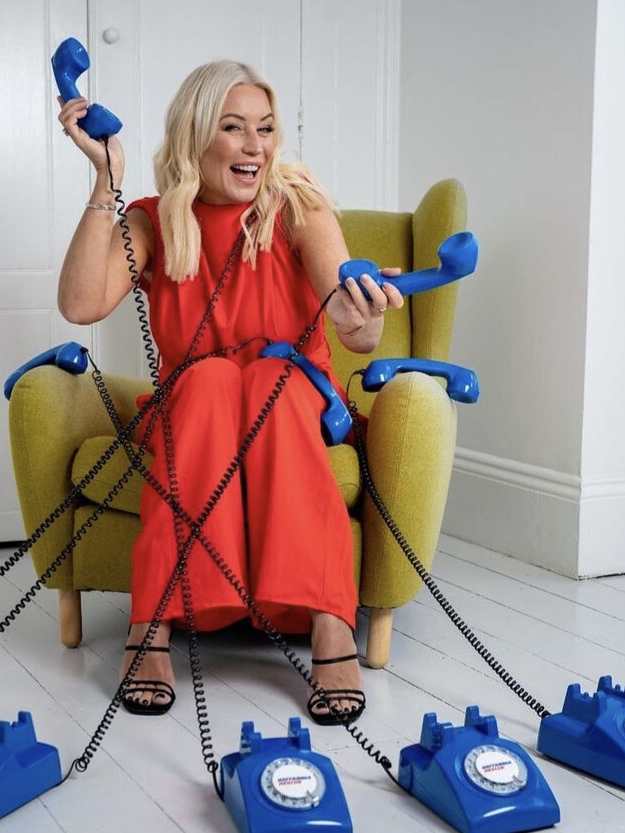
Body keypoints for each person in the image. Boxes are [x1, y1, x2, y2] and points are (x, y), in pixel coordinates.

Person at [57, 60, 403, 723]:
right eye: (235, 127)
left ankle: (330, 619)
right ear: (196, 135)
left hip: (290, 397)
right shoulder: (157, 220)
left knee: (273, 380)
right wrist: (106, 179)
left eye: (266, 129)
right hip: (198, 407)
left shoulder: (297, 206)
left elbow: (351, 323)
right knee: (212, 378)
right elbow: (80, 304)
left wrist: (366, 311)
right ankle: (153, 622)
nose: (255, 146)